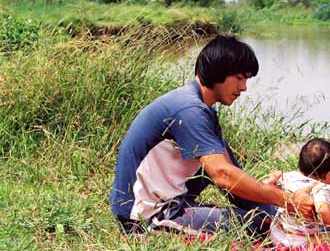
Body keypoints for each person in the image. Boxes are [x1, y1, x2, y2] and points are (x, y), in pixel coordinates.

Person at [109, 34, 313, 236]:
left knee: (262, 216)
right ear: (218, 71)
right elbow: (223, 175)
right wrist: (286, 200)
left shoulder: (201, 109)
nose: (243, 88)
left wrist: (274, 204)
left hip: (167, 199)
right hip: (143, 217)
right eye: (239, 78)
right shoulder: (189, 109)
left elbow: (230, 171)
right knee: (255, 226)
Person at [270, 138, 330, 247]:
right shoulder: (321, 188)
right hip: (299, 243)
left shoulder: (288, 176)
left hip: (276, 235)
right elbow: (323, 210)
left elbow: (269, 183)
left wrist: (275, 176)